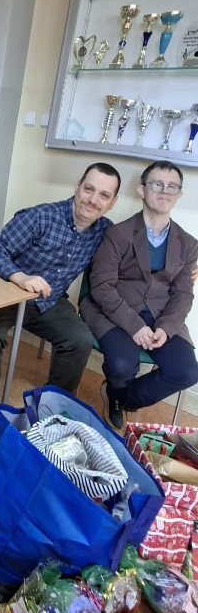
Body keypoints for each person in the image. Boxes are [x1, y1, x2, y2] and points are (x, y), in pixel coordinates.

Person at [0, 163, 121, 448]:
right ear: (77, 187)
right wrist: (21, 277)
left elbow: (135, 252)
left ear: (112, 202)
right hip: (8, 293)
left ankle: (54, 412)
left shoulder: (105, 232)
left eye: (104, 195)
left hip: (49, 301)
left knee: (80, 340)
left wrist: (184, 269)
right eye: (89, 189)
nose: (93, 200)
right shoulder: (40, 217)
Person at [80, 160, 198, 430]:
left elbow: (183, 294)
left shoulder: (189, 244)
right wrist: (134, 326)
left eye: (172, 187)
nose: (164, 191)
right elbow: (101, 286)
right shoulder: (117, 233)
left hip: (161, 315)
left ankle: (120, 398)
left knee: (187, 372)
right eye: (157, 184)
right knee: (123, 365)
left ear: (179, 194)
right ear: (142, 189)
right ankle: (118, 390)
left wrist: (166, 328)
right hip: (113, 309)